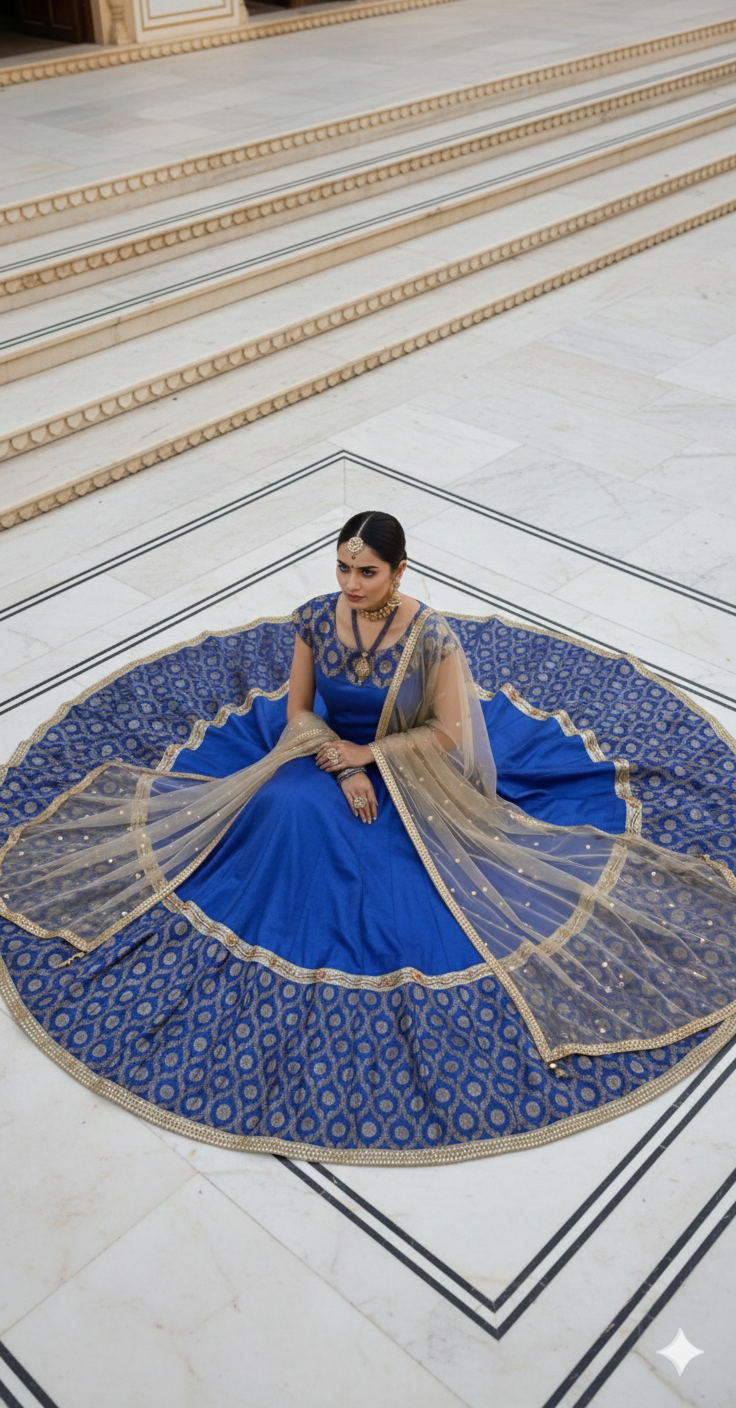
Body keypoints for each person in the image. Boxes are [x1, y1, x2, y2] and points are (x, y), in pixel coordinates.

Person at [0, 511, 734, 1165]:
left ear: (399, 570)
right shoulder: (314, 620)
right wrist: (344, 766)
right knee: (284, 804)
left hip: (413, 770)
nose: (351, 584)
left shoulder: (430, 636)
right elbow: (297, 711)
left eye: (367, 572)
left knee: (397, 870)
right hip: (322, 755)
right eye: (343, 568)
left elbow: (449, 733)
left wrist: (372, 757)